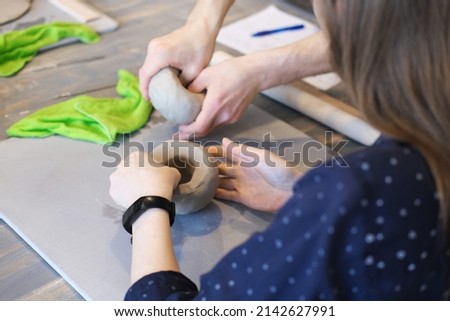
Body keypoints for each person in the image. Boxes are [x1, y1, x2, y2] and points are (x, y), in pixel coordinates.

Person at [109, 0, 450, 300]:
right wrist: (297, 197)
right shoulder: (424, 154)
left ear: (341, 11)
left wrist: (146, 207)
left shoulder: (363, 190)